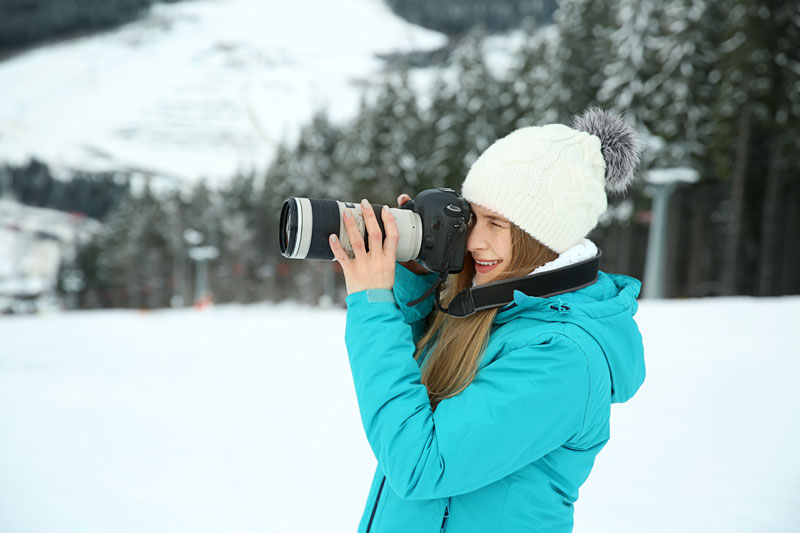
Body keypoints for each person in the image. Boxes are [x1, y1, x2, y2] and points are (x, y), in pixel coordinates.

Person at [328, 107, 646, 533]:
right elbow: (415, 386)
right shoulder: (492, 306)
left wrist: (373, 302)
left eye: (498, 223)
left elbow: (422, 463)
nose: (475, 240)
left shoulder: (564, 357)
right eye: (473, 217)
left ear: (543, 239)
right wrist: (412, 273)